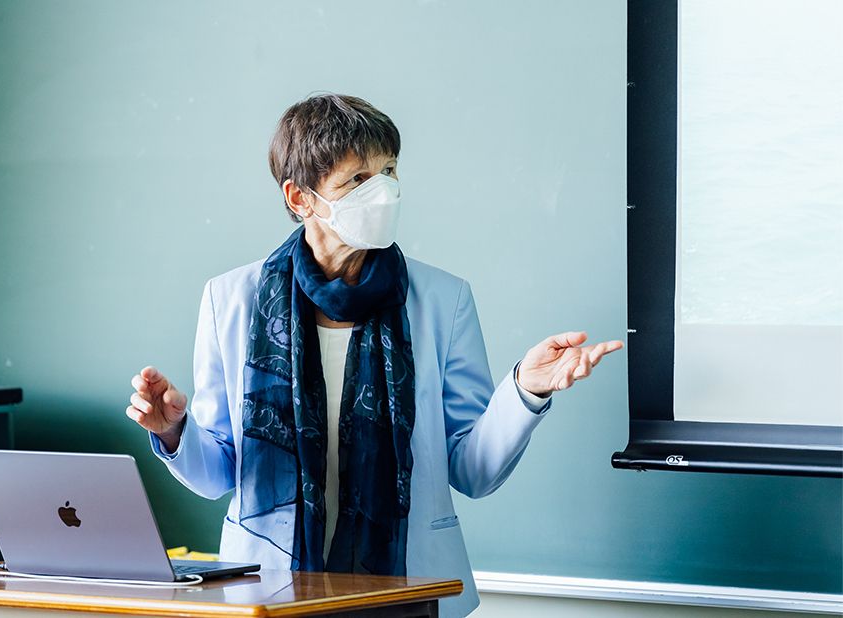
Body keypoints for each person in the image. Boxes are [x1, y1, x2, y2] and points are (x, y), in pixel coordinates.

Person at [126, 93, 623, 617]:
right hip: (271, 589)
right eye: (357, 181)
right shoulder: (231, 299)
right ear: (300, 198)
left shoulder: (443, 299)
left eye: (389, 171)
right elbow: (219, 475)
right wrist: (172, 431)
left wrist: (526, 389)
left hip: (408, 587)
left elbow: (473, 470)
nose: (383, 192)